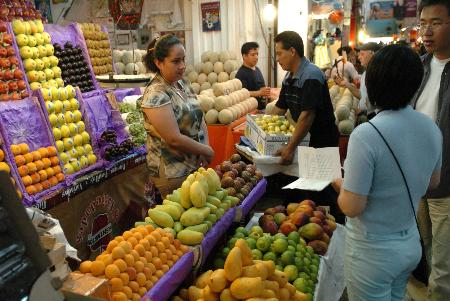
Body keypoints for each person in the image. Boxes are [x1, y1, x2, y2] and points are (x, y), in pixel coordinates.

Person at [332, 45, 442, 301]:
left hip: (373, 251)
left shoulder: (366, 134)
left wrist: (339, 183)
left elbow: (352, 206)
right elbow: (432, 183)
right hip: (409, 245)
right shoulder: (431, 128)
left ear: (374, 83)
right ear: (416, 83)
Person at [141, 35, 214, 198]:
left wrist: (203, 146)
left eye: (183, 60)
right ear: (158, 63)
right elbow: (173, 138)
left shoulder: (182, 83)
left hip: (193, 166)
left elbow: (199, 116)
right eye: (175, 61)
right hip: (173, 171)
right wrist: (206, 150)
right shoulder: (156, 94)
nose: (182, 66)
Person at [412, 0, 450, 299]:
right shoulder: (420, 67)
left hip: (446, 183)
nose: (426, 30)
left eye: (435, 22)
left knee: (444, 265)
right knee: (422, 250)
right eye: (423, 23)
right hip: (415, 179)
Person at [271, 31, 339, 165]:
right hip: (305, 139)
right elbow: (280, 108)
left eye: (279, 54)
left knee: (320, 183)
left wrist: (290, 148)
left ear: (292, 51)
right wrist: (260, 129)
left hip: (322, 143)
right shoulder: (289, 77)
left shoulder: (311, 75)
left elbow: (307, 115)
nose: (277, 59)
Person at [335, 42, 383, 119]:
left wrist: (370, 112)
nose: (359, 57)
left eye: (362, 54)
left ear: (372, 54)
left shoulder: (380, 74)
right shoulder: (366, 73)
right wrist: (347, 84)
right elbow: (362, 95)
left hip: (377, 118)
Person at [235, 42, 271, 109]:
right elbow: (241, 94)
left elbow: (262, 88)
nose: (256, 57)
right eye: (253, 55)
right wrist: (259, 93)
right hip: (250, 111)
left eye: (257, 54)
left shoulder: (257, 69)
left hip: (262, 109)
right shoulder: (241, 74)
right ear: (244, 56)